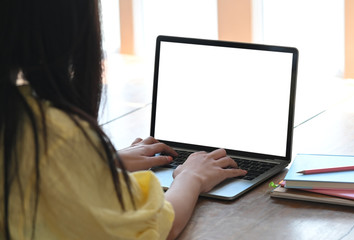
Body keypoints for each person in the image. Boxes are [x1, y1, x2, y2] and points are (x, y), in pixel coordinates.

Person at [0, 0, 246, 239]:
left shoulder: (19, 118)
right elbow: (150, 230)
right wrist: (192, 177)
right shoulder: (52, 134)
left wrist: (95, 164)